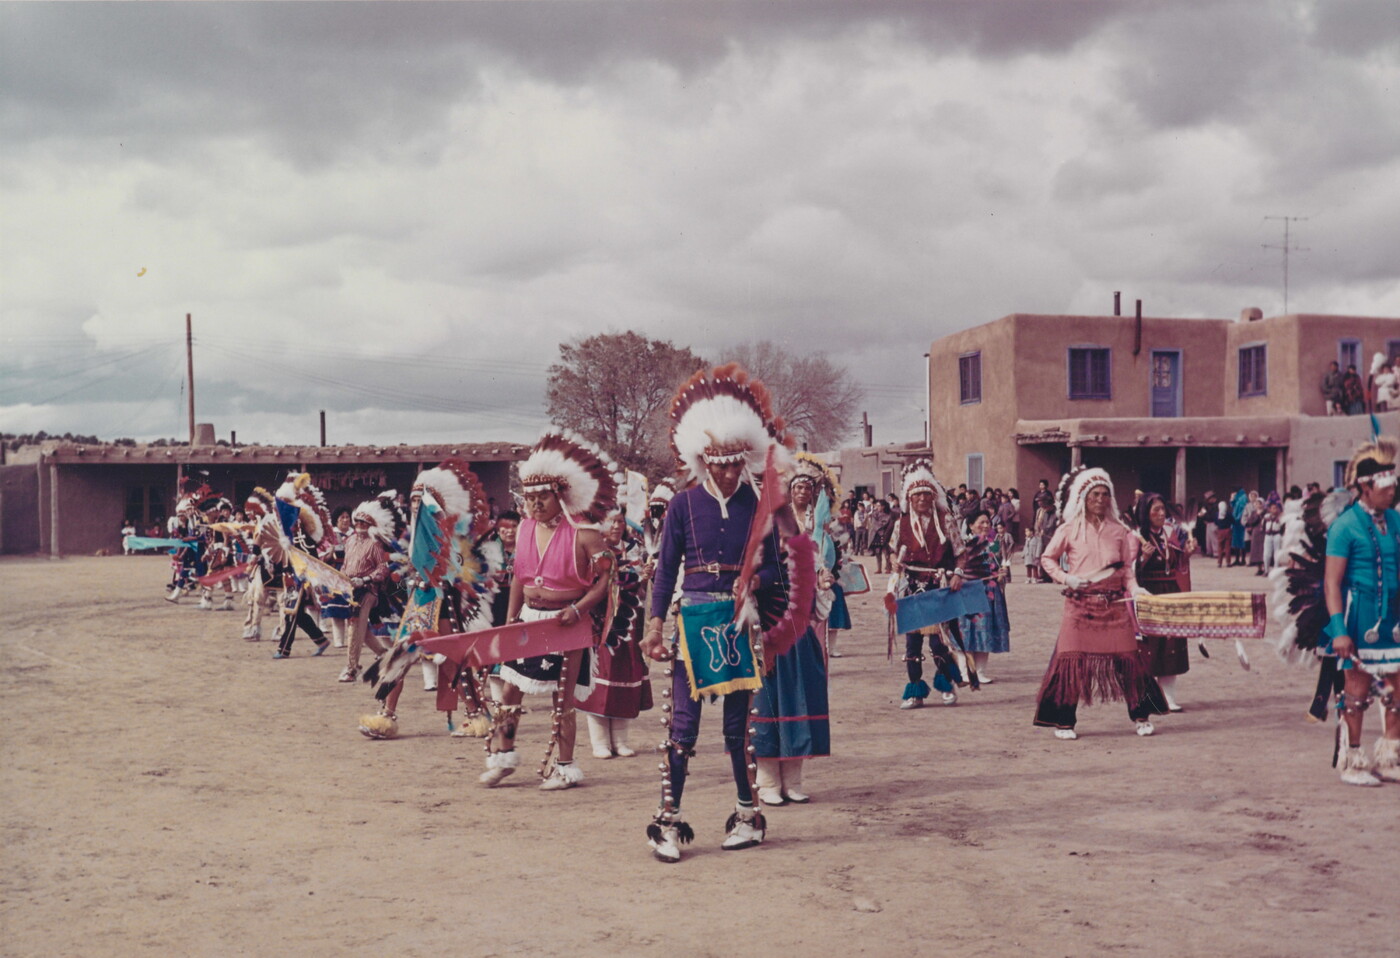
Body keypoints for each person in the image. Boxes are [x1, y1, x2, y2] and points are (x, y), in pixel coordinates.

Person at [640, 363, 790, 863]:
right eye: (718, 463)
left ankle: (748, 816)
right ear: (703, 460)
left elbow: (778, 573)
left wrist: (755, 583)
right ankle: (667, 821)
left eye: (734, 463)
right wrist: (654, 623)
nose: (727, 472)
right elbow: (664, 572)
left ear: (745, 459)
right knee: (681, 726)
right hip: (693, 623)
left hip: (741, 626)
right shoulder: (683, 506)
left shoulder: (759, 503)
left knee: (737, 729)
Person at [481, 434, 617, 791]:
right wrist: (511, 616)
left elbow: (605, 580)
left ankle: (565, 766)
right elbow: (518, 578)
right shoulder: (524, 529)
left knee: (563, 697)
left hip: (566, 623)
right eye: (530, 497)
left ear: (561, 495)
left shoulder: (586, 535)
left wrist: (578, 608)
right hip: (528, 617)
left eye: (543, 496)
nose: (535, 503)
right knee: (509, 691)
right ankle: (503, 755)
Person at [1033, 467, 1168, 739]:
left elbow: (1126, 570)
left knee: (1129, 660)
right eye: (1095, 494)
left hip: (1114, 606)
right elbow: (1047, 558)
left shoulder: (1119, 531)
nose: (1100, 499)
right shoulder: (1068, 529)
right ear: (1083, 497)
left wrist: (1136, 589)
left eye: (1105, 494)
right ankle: (1064, 722)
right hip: (1079, 606)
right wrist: (1066, 578)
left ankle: (1141, 716)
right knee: (1071, 661)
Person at [753, 454, 835, 807]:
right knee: (767, 697)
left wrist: (823, 580)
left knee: (801, 693)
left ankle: (794, 778)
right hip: (768, 626)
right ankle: (767, 779)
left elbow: (817, 570)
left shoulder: (811, 530)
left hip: (801, 629)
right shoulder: (761, 531)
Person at [1321, 439, 1400, 785]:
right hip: (1359, 618)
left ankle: (1389, 757)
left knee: (1396, 690)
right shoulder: (1344, 526)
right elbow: (1331, 583)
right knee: (1356, 690)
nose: (1392, 491)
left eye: (1394, 485)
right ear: (1365, 487)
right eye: (1385, 486)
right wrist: (1339, 629)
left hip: (1394, 619)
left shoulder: (1396, 520)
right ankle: (1353, 761)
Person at [891, 459, 971, 709]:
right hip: (912, 586)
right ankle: (915, 691)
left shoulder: (946, 520)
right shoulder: (901, 523)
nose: (922, 499)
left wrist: (958, 573)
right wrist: (895, 562)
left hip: (939, 584)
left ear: (933, 496)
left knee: (939, 641)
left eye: (927, 494)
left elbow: (961, 551)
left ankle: (946, 685)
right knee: (912, 642)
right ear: (910, 499)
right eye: (917, 496)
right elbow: (893, 550)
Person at [577, 508, 653, 760]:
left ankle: (620, 740)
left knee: (625, 673)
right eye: (612, 521)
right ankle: (599, 741)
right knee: (601, 676)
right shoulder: (591, 549)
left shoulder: (634, 549)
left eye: (620, 521)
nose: (617, 526)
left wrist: (643, 579)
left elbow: (640, 591)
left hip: (628, 623)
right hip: (600, 622)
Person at [1133, 492, 1196, 712]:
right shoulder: (1136, 536)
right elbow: (1128, 571)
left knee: (1172, 644)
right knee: (1151, 645)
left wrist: (1186, 554)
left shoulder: (1170, 533)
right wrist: (1143, 558)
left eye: (1163, 509)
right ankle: (1150, 697)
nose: (1161, 514)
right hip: (1148, 593)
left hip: (1170, 592)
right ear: (1145, 513)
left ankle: (1169, 697)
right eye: (1155, 510)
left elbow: (1177, 564)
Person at [336, 497, 394, 683]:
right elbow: (346, 565)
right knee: (359, 627)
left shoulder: (375, 544)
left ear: (371, 524)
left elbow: (383, 568)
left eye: (364, 522)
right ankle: (383, 653)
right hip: (350, 589)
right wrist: (342, 577)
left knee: (354, 626)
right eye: (358, 521)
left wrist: (366, 579)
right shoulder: (350, 541)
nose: (360, 524)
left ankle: (352, 668)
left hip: (368, 591)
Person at [957, 510, 1011, 683]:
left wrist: (1001, 574)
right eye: (981, 522)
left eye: (988, 522)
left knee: (985, 630)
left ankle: (980, 672)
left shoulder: (994, 545)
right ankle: (965, 672)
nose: (986, 526)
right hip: (969, 592)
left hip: (990, 593)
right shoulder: (963, 546)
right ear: (971, 525)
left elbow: (998, 569)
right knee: (965, 632)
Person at [868, 500, 895, 574]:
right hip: (876, 534)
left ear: (883, 506)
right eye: (876, 505)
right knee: (877, 552)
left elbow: (887, 524)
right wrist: (880, 529)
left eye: (879, 505)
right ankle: (879, 568)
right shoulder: (874, 514)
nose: (877, 507)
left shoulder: (889, 514)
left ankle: (888, 568)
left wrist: (884, 531)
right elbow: (874, 523)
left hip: (886, 534)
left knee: (886, 552)